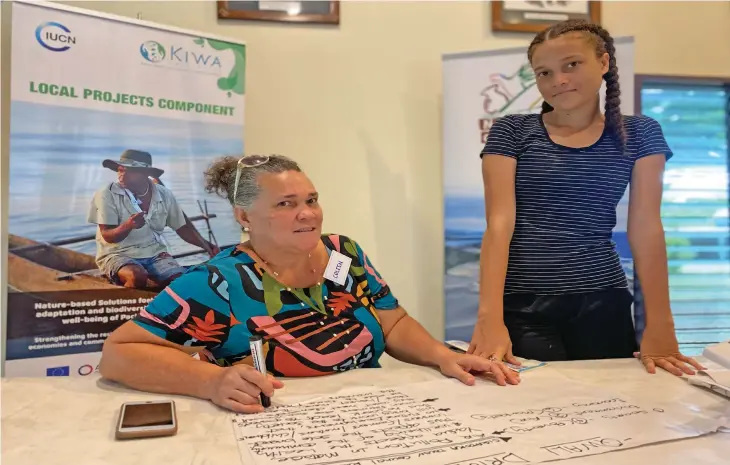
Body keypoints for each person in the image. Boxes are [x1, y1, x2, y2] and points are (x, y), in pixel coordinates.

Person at [99, 154, 520, 414]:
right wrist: (210, 382)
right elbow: (119, 354)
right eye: (286, 204)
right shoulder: (216, 281)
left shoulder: (344, 253)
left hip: (379, 423)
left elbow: (390, 322)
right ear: (244, 217)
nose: (308, 214)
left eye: (311, 200)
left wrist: (441, 356)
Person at [469, 19, 704, 377]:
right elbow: (499, 225)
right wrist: (489, 318)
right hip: (523, 305)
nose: (558, 80)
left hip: (603, 299)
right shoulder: (512, 131)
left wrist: (659, 323)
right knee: (532, 410)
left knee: (613, 409)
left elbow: (646, 228)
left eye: (571, 65)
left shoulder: (640, 133)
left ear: (604, 63)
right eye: (544, 72)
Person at [88, 149, 219, 290]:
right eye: (120, 170)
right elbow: (107, 235)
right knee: (136, 276)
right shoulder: (107, 193)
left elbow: (183, 227)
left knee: (181, 282)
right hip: (115, 254)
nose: (122, 175)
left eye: (129, 171)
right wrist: (128, 226)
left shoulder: (163, 194)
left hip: (154, 253)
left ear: (145, 174)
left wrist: (207, 246)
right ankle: (128, 307)